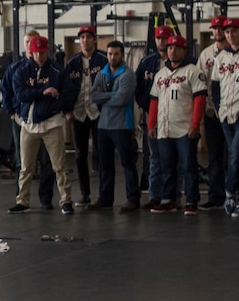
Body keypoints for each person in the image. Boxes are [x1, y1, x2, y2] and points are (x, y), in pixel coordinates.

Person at [3, 34, 78, 215]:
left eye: (42, 53)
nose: (39, 56)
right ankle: (22, 200)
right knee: (25, 166)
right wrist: (44, 91)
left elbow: (67, 96)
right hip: (28, 124)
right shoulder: (21, 70)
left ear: (47, 51)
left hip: (51, 124)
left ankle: (66, 200)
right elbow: (20, 94)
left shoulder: (58, 71)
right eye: (36, 53)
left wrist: (52, 107)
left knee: (58, 165)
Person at [202, 18, 239, 217]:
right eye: (226, 32)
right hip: (226, 115)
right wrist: (219, 108)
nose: (230, 35)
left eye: (233, 31)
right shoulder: (221, 57)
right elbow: (215, 86)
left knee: (235, 155)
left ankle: (228, 191)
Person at [147, 34, 205, 214]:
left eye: (177, 48)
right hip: (165, 128)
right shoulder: (161, 74)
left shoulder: (193, 71)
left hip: (185, 128)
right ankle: (168, 199)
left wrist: (195, 124)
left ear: (184, 50)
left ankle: (191, 201)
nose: (172, 51)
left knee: (188, 166)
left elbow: (200, 99)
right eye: (170, 48)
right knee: (167, 167)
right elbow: (154, 102)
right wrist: (151, 125)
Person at [88, 39, 141, 211]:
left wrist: (106, 96)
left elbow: (122, 99)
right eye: (110, 54)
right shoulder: (102, 74)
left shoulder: (128, 75)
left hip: (122, 125)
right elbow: (93, 96)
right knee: (105, 165)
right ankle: (105, 198)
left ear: (122, 55)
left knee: (127, 163)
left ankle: (133, 199)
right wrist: (112, 95)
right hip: (103, 126)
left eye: (116, 54)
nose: (112, 57)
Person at [65, 26, 108, 207]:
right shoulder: (72, 62)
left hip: (99, 112)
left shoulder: (104, 59)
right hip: (79, 113)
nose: (85, 40)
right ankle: (85, 194)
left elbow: (112, 83)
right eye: (82, 37)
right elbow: (66, 88)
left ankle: (104, 195)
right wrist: (67, 110)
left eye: (88, 37)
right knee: (80, 154)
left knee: (102, 153)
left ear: (94, 39)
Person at [137, 25, 175, 208]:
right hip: (152, 115)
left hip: (174, 116)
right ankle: (154, 195)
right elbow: (137, 87)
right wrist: (145, 106)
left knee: (173, 156)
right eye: (159, 38)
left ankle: (172, 196)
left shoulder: (180, 61)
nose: (162, 41)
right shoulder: (147, 62)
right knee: (154, 157)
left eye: (165, 38)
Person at [195, 17, 231, 209]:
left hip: (231, 111)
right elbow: (201, 82)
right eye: (214, 28)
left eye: (220, 28)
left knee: (234, 154)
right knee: (215, 156)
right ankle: (216, 196)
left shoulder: (234, 52)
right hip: (211, 112)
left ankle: (235, 193)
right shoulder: (206, 54)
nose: (217, 31)